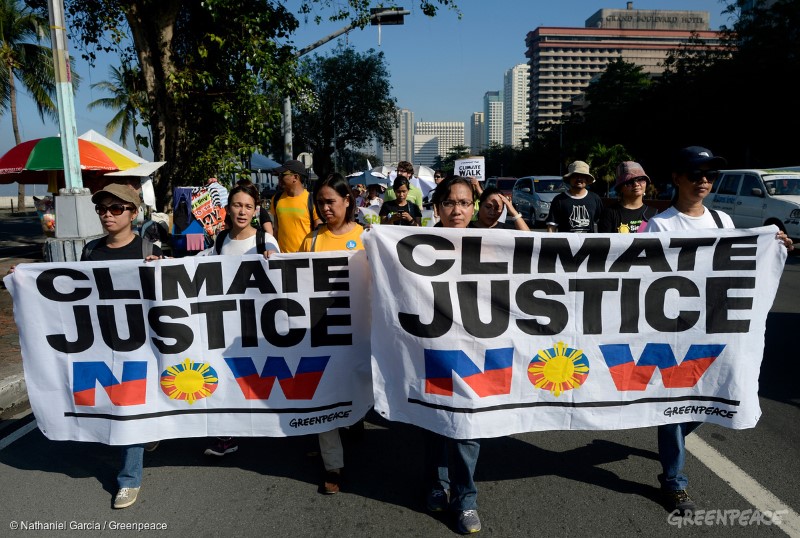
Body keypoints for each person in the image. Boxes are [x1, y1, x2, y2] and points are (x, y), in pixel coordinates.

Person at [645, 146, 793, 515]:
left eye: (710, 175)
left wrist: (775, 248)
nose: (704, 181)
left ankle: (670, 442)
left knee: (704, 400)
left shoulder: (723, 221)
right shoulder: (660, 226)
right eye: (696, 175)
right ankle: (674, 482)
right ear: (677, 178)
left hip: (714, 332)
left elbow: (741, 266)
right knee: (676, 407)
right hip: (674, 335)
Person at [85, 183, 163, 508]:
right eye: (102, 209)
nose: (108, 215)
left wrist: (162, 266)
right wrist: (29, 278)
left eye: (116, 209)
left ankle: (129, 480)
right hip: (104, 341)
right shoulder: (90, 251)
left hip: (140, 344)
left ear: (133, 213)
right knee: (118, 403)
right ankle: (148, 433)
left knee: (129, 405)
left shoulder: (147, 249)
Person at [201, 180, 279, 458]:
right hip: (227, 320)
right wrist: (164, 262)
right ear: (227, 209)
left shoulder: (265, 241)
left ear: (256, 210)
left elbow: (282, 279)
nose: (242, 211)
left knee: (257, 373)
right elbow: (199, 265)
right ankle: (226, 435)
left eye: (248, 206)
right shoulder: (221, 240)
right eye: (237, 205)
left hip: (257, 321)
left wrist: (274, 260)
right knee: (226, 373)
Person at [298, 173, 365, 495]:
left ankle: (355, 415)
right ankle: (332, 466)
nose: (325, 208)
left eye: (331, 202)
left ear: (347, 200)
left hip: (361, 331)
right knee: (323, 392)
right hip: (322, 330)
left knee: (358, 388)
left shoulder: (368, 237)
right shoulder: (311, 241)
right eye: (320, 202)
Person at [426, 176, 482, 534]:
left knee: (468, 425)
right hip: (432, 347)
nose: (457, 210)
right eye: (450, 203)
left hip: (476, 348)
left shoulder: (490, 244)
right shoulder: (419, 247)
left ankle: (466, 500)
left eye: (464, 203)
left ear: (472, 208)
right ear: (438, 208)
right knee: (434, 421)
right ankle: (439, 483)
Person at [271, 159, 323, 253]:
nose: (279, 178)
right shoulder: (276, 199)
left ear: (295, 177)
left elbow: (319, 233)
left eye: (282, 175)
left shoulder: (312, 200)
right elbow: (276, 230)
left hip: (305, 258)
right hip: (283, 259)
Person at [599, 161, 658, 233]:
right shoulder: (609, 214)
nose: (636, 184)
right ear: (620, 188)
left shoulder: (654, 214)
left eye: (640, 179)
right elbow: (605, 243)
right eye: (629, 181)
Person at [545, 160, 603, 233]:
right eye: (575, 176)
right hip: (565, 244)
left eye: (582, 176)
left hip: (589, 244)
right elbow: (551, 227)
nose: (579, 179)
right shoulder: (559, 200)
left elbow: (602, 223)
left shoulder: (595, 199)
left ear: (587, 179)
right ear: (569, 178)